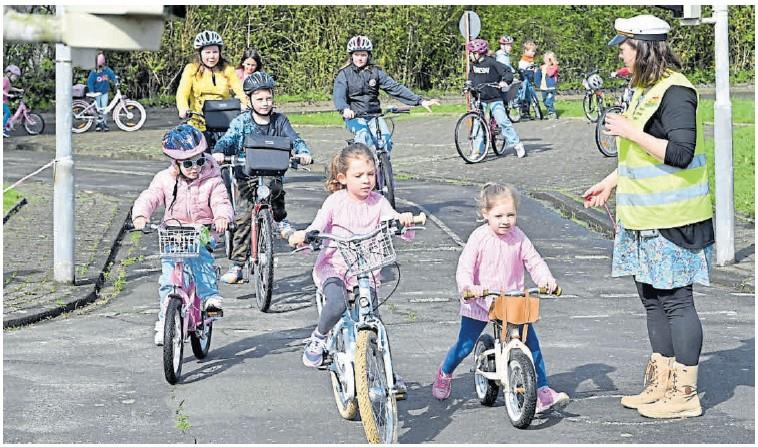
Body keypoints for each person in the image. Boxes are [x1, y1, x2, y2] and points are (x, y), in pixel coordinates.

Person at [583, 14, 714, 420]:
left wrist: (628, 130)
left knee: (676, 300)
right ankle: (661, 384)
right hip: (642, 215)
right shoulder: (645, 88)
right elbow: (642, 155)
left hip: (673, 216)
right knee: (652, 299)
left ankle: (686, 393)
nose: (620, 51)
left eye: (623, 45)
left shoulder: (677, 91)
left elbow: (680, 153)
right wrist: (611, 181)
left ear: (643, 48)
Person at [430, 183, 569, 413]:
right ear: (485, 214)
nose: (506, 221)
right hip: (481, 300)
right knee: (465, 344)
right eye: (499, 215)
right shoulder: (479, 238)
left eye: (510, 215)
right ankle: (445, 371)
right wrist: (468, 287)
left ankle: (542, 390)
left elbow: (534, 261)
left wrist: (546, 280)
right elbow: (465, 266)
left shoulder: (519, 237)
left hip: (512, 301)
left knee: (531, 345)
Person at [288, 143, 414, 396]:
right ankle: (318, 339)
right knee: (336, 303)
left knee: (373, 320)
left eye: (371, 174)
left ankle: (384, 369)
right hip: (335, 267)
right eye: (359, 176)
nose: (367, 180)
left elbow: (391, 219)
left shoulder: (379, 202)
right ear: (342, 178)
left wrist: (402, 221)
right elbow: (317, 226)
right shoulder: (335, 202)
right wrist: (305, 235)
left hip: (366, 271)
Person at [131, 125, 233, 346]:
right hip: (173, 233)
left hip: (202, 230)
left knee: (201, 261)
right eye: (188, 163)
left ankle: (210, 298)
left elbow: (220, 201)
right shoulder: (165, 179)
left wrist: (221, 217)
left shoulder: (212, 180)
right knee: (168, 281)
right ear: (176, 163)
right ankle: (163, 322)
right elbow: (151, 196)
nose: (195, 167)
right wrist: (141, 216)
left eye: (199, 161)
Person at [212, 71, 313, 284]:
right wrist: (219, 152)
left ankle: (281, 221)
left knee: (275, 191)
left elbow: (294, 139)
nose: (265, 103)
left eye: (268, 98)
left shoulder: (280, 121)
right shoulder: (242, 123)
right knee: (242, 218)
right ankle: (237, 265)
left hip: (272, 171)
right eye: (259, 99)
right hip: (245, 175)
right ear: (249, 100)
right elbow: (228, 140)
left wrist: (303, 153)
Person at [332, 35, 439, 155]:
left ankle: (385, 171)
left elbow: (395, 88)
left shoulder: (376, 72)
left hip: (374, 115)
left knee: (385, 141)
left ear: (368, 56)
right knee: (364, 139)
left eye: (363, 55)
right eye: (357, 55)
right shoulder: (344, 74)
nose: (360, 58)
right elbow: (338, 95)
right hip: (355, 117)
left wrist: (420, 101)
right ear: (351, 55)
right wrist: (345, 109)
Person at [176, 30, 249, 144]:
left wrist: (247, 104)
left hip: (224, 120)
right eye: (207, 52)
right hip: (198, 122)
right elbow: (182, 92)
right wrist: (183, 108)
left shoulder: (227, 69)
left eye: (215, 52)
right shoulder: (191, 69)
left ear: (220, 52)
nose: (211, 56)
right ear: (200, 53)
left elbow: (240, 89)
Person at [466, 38, 525, 158]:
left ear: (479, 53)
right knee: (477, 123)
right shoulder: (474, 65)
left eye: (472, 53)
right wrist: (468, 86)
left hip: (494, 98)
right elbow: (471, 78)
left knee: (503, 121)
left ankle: (517, 144)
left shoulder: (492, 62)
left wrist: (505, 82)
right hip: (480, 99)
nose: (470, 56)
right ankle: (477, 150)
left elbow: (507, 72)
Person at [86, 53, 118, 131]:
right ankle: (98, 124)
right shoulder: (94, 72)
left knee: (104, 109)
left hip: (104, 92)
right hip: (96, 93)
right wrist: (92, 92)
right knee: (97, 109)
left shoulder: (107, 70)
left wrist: (116, 81)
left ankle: (104, 123)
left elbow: (112, 76)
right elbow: (90, 82)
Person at [517, 40, 539, 119]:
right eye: (532, 51)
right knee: (524, 95)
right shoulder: (523, 61)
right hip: (525, 81)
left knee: (530, 96)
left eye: (534, 51)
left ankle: (528, 111)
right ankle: (524, 112)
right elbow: (522, 71)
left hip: (530, 80)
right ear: (526, 51)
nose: (533, 53)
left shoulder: (531, 60)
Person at [534, 51, 559, 119]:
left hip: (550, 88)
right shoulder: (543, 67)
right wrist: (538, 70)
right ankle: (549, 112)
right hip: (543, 87)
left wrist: (547, 67)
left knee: (549, 101)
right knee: (545, 101)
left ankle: (552, 113)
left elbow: (550, 73)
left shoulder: (554, 67)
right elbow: (538, 76)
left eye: (549, 59)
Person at [3, 65, 24, 138]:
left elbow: (10, 88)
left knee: (9, 112)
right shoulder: (4, 80)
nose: (15, 78)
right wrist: (8, 95)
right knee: (8, 112)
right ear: (9, 74)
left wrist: (18, 90)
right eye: (14, 76)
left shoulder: (8, 81)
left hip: (4, 101)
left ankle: (7, 126)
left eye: (16, 77)